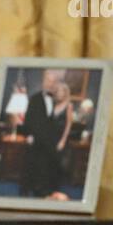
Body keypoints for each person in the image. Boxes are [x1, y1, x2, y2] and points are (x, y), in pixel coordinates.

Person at [16, 68, 68, 198]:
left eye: (53, 81)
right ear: (43, 81)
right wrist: (29, 136)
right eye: (48, 80)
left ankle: (47, 192)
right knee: (34, 165)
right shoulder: (35, 99)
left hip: (51, 142)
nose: (50, 84)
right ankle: (30, 190)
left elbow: (61, 123)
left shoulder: (59, 100)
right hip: (38, 141)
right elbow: (28, 121)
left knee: (51, 167)